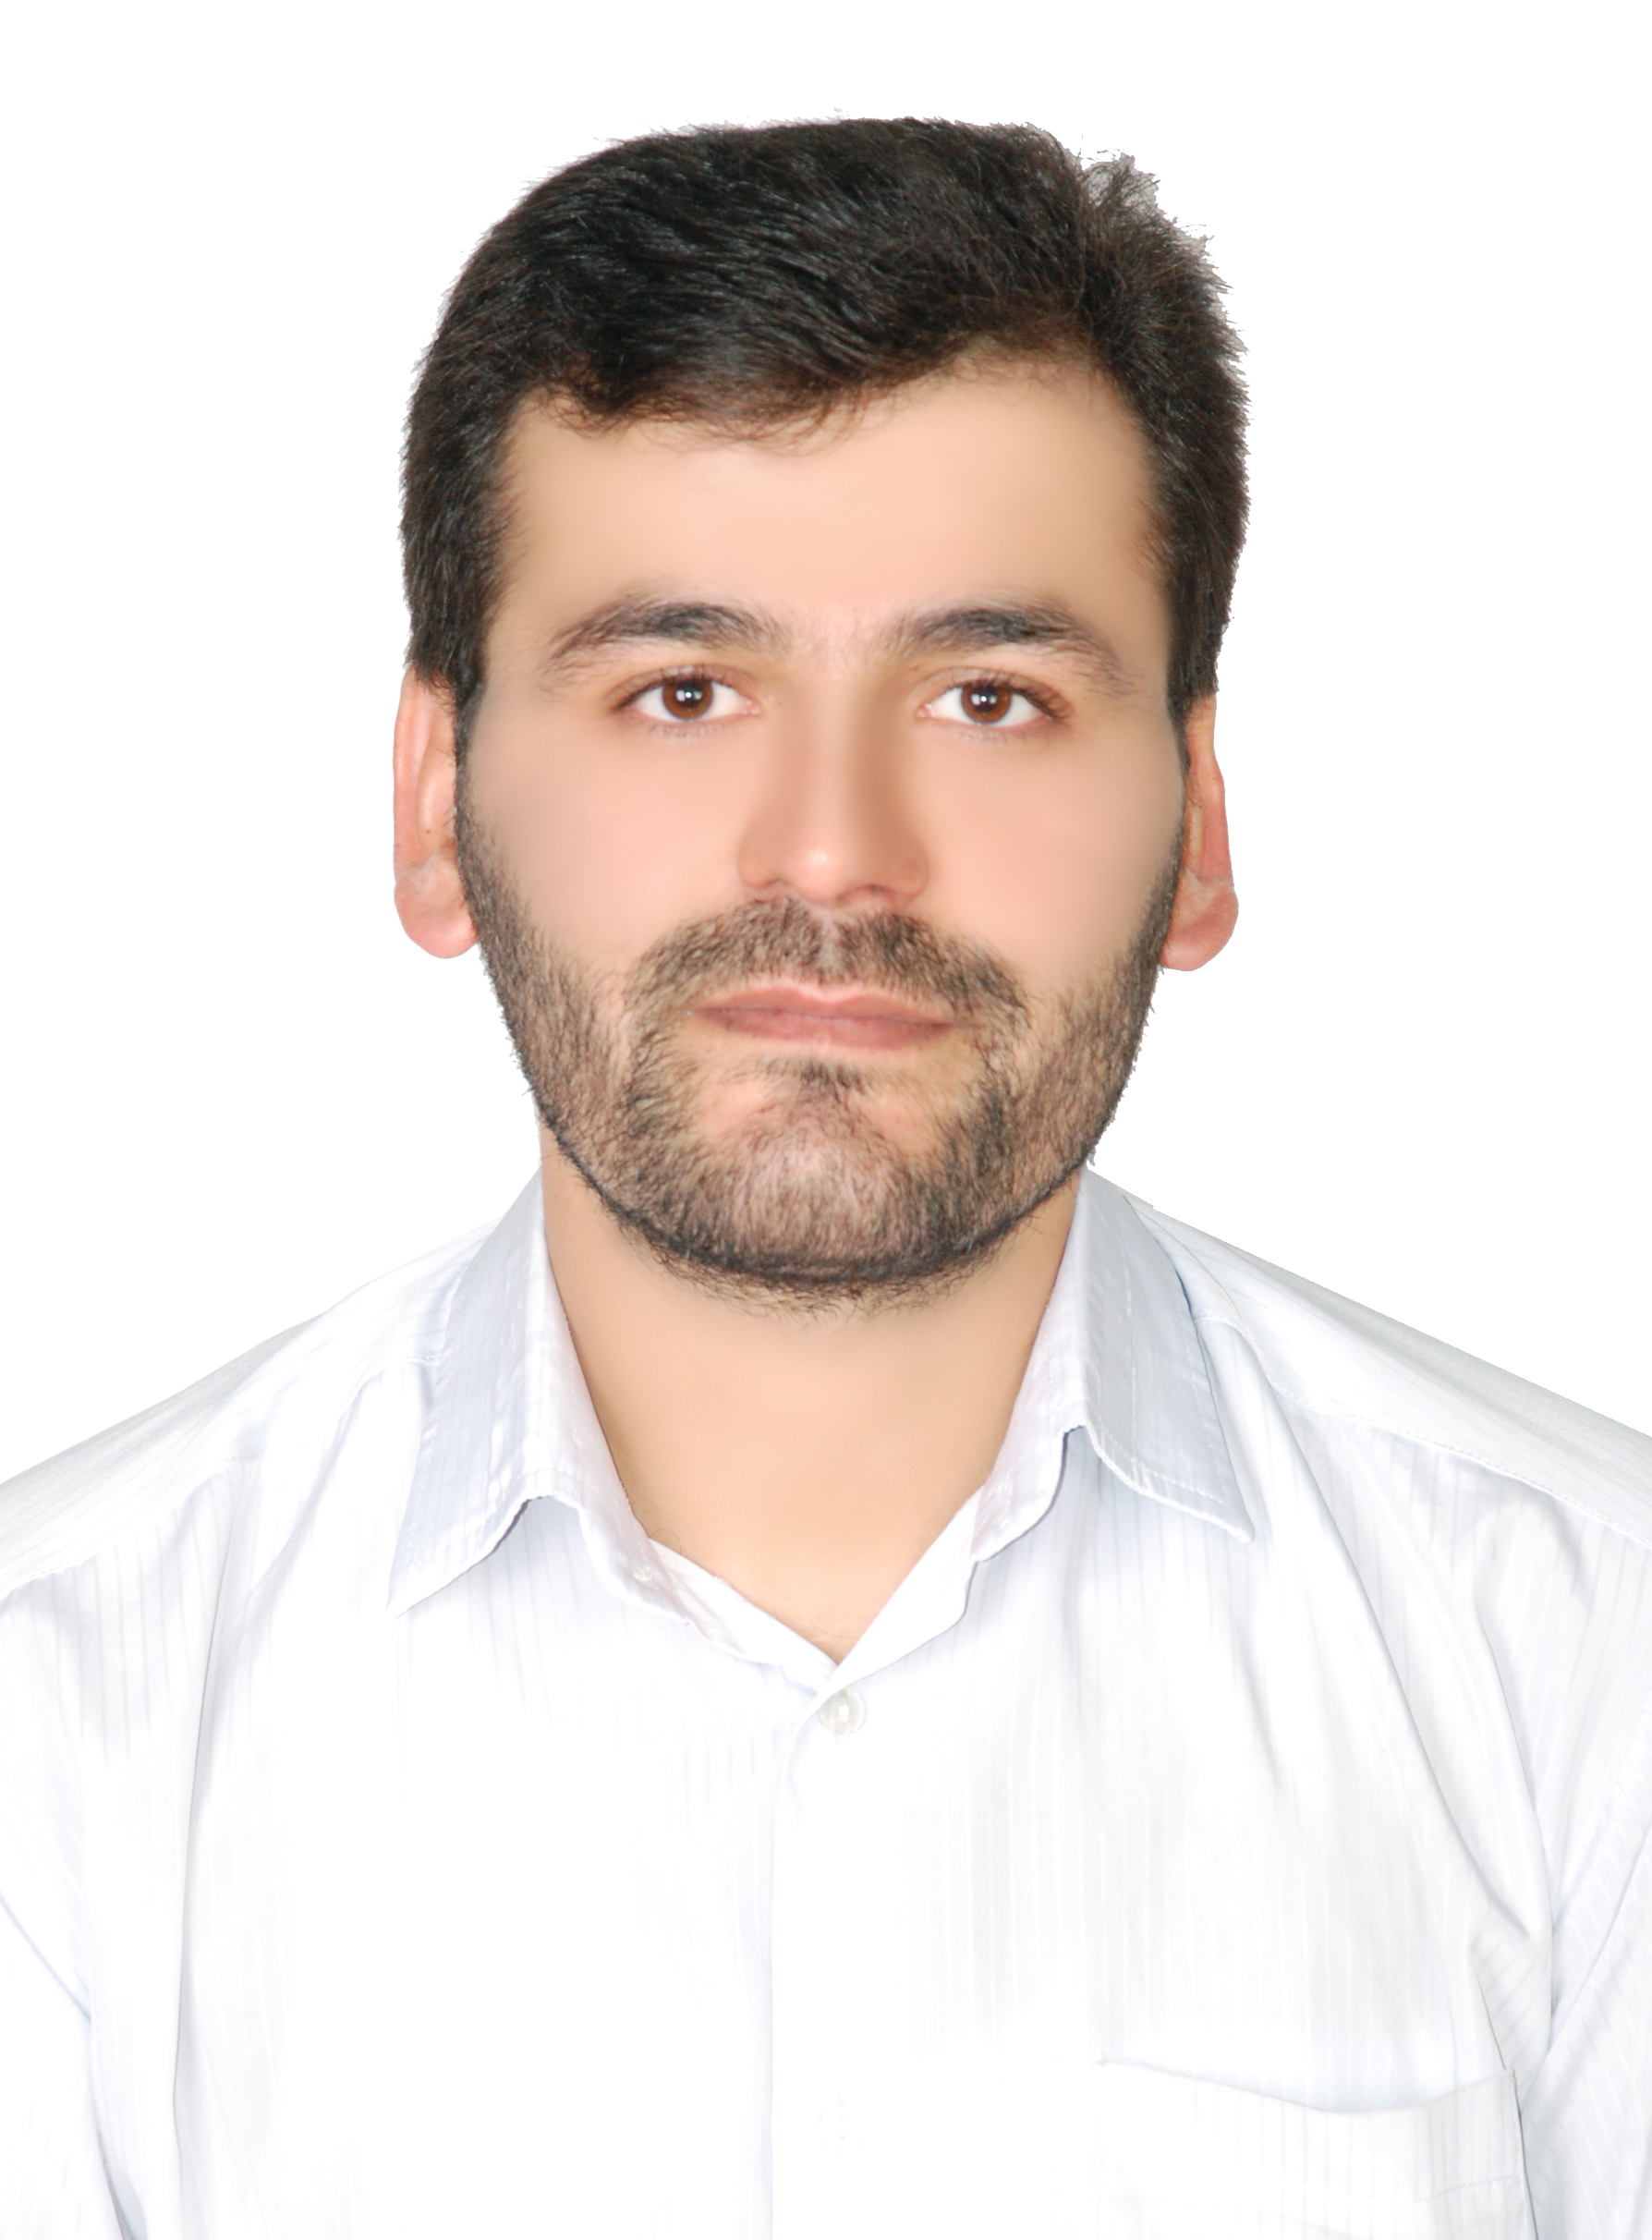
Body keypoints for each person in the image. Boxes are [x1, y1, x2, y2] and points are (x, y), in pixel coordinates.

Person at [1, 116, 1647, 2240]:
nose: (834, 852)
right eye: (683, 691)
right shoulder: (57, 1722)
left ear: (1198, 824)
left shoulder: (1592, 1667)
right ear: (435, 801)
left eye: (989, 697)